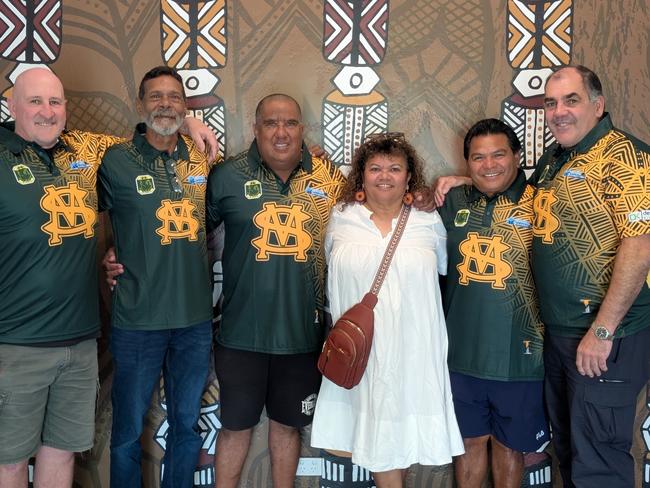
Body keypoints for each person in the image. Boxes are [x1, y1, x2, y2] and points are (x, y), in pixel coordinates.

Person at [0, 67, 216, 488]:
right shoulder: (110, 157)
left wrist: (189, 121)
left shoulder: (91, 151)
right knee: (19, 456)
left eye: (55, 102)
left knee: (65, 451)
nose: (47, 112)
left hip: (106, 334)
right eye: (35, 102)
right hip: (50, 335)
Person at [205, 94, 348, 488]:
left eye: (290, 123)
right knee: (235, 429)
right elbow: (187, 235)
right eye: (271, 123)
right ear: (256, 129)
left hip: (302, 337)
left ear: (303, 129)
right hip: (240, 335)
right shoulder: (227, 175)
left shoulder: (329, 179)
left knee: (287, 430)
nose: (281, 132)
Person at [310, 133, 464, 488]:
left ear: (410, 177)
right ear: (361, 175)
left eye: (395, 168)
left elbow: (447, 270)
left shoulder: (429, 222)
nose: (385, 175)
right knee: (375, 434)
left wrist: (461, 179)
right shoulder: (340, 217)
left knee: (398, 435)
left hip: (413, 350)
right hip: (359, 350)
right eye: (375, 167)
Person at [532, 65, 650, 487]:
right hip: (561, 334)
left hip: (604, 338)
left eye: (571, 100)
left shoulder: (625, 155)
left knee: (599, 460)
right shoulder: (555, 158)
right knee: (569, 449)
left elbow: (640, 246)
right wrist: (459, 181)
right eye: (550, 103)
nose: (558, 111)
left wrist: (602, 331)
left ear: (598, 106)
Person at [97, 66, 214, 488]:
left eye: (174, 97)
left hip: (194, 322)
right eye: (156, 97)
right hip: (136, 321)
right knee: (127, 433)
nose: (166, 104)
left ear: (185, 105)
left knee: (186, 427)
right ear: (140, 105)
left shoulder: (202, 159)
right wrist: (109, 255)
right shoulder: (114, 161)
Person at [435, 119, 548, 488]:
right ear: (466, 163)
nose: (489, 165)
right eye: (478, 158)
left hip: (520, 356)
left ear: (518, 156)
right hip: (461, 355)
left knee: (509, 447)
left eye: (499, 155)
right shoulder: (451, 201)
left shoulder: (541, 202)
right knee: (467, 444)